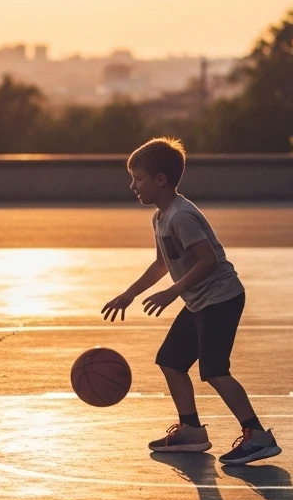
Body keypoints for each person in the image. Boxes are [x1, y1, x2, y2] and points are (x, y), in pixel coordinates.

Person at [101, 136, 281, 465]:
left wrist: (172, 292)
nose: (132, 185)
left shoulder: (181, 216)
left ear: (160, 180)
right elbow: (161, 264)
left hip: (221, 298)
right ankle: (191, 430)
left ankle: (258, 436)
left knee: (214, 369)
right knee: (170, 360)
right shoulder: (159, 218)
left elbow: (208, 260)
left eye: (138, 178)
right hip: (200, 300)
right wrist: (129, 294)